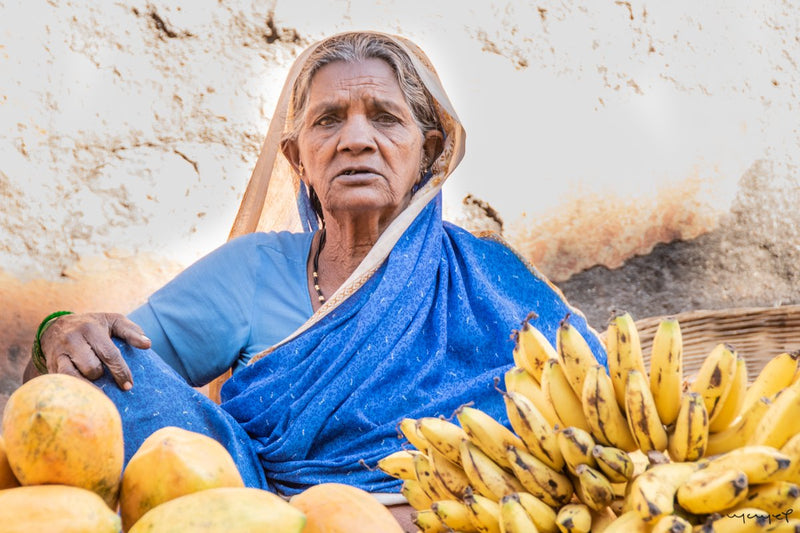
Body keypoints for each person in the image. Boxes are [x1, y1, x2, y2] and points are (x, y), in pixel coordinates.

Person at [25, 30, 605, 513]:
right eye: (328, 121)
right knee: (102, 377)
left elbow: (590, 406)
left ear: (428, 152)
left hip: (460, 521)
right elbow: (118, 375)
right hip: (257, 519)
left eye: (385, 118)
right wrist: (62, 331)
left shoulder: (486, 279)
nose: (356, 139)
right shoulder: (253, 270)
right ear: (297, 158)